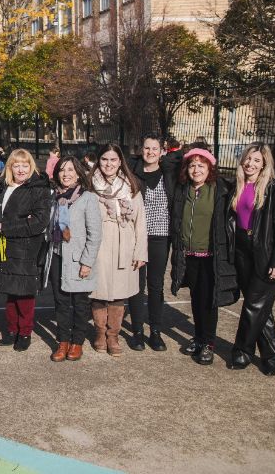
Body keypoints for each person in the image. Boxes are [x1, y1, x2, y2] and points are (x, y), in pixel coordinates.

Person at [170, 148, 238, 366]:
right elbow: (168, 163)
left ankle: (208, 343)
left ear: (210, 168)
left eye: (201, 165)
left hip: (211, 256)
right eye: (192, 165)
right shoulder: (183, 189)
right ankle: (199, 338)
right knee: (196, 299)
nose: (196, 170)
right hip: (188, 254)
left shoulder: (220, 190)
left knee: (209, 301)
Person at [229, 143, 275, 375]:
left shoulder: (274, 189)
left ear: (264, 164)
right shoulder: (238, 185)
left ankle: (242, 351)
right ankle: (271, 357)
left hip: (264, 251)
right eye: (248, 159)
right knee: (261, 307)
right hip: (242, 250)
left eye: (257, 161)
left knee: (254, 305)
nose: (251, 164)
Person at [89, 143, 147, 357]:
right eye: (104, 159)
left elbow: (140, 221)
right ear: (99, 161)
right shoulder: (89, 184)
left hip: (125, 243)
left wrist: (140, 251)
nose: (109, 164)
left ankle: (113, 335)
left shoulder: (130, 185)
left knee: (118, 294)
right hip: (99, 244)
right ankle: (100, 332)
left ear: (120, 161)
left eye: (113, 159)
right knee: (98, 292)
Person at [0, 149, 51, 351]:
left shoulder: (38, 188)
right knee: (9, 291)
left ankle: (24, 332)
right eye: (16, 165)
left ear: (31, 166)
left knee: (24, 294)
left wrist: (8, 227)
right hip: (5, 247)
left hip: (26, 248)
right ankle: (11, 330)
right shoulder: (3, 186)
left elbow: (39, 222)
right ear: (9, 167)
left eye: (25, 165)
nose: (20, 169)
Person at [45, 156, 102, 362]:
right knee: (60, 302)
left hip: (78, 260)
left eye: (70, 170)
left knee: (80, 304)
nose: (66, 174)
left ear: (78, 173)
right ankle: (63, 342)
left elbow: (95, 234)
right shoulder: (54, 197)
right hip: (58, 256)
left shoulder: (87, 198)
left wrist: (87, 262)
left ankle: (77, 342)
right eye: (62, 170)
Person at [128, 135, 177, 351]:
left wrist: (168, 160)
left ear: (162, 151)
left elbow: (182, 158)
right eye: (146, 148)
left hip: (161, 236)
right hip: (136, 236)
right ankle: (137, 331)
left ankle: (155, 331)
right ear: (141, 150)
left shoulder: (169, 172)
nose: (150, 152)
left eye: (155, 148)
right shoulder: (132, 172)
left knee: (155, 286)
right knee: (136, 286)